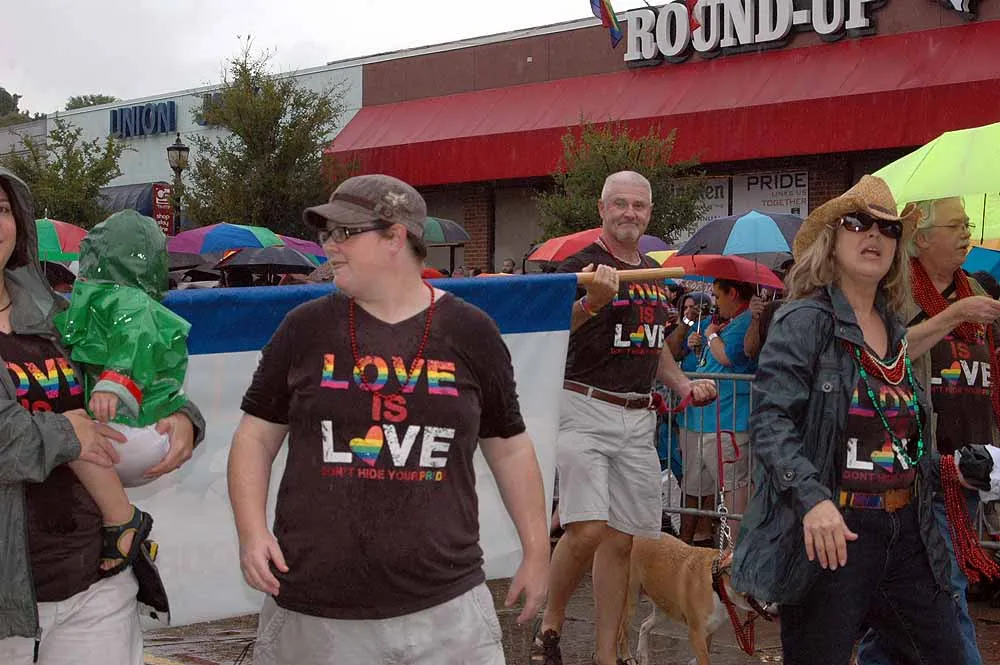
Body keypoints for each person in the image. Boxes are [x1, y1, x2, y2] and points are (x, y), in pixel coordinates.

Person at [228, 174, 548, 665]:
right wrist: (252, 532)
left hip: (446, 615)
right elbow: (255, 436)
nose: (329, 246)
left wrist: (538, 551)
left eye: (345, 233)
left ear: (396, 236)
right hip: (315, 616)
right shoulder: (304, 329)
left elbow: (509, 446)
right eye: (327, 234)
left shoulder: (472, 332)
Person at [731, 176, 967, 664]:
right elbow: (771, 420)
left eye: (888, 228)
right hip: (833, 532)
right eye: (857, 223)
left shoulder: (894, 327)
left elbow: (896, 433)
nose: (874, 235)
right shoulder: (804, 320)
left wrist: (951, 468)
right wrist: (813, 501)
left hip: (908, 530)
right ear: (832, 240)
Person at [0, 169, 205, 665]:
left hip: (95, 586)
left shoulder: (59, 315)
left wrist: (182, 415)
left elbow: (139, 362)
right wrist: (66, 431)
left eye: (1, 209)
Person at [531, 171, 717, 665]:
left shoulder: (653, 275)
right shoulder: (579, 267)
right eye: (620, 204)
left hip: (638, 418)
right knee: (588, 528)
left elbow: (655, 348)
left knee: (621, 540)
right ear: (602, 208)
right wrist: (590, 303)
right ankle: (550, 624)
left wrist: (684, 385)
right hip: (583, 406)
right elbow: (551, 329)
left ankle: (605, 655)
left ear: (649, 213)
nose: (629, 213)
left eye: (638, 205)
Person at [857, 197, 1000, 665]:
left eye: (968, 224)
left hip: (971, 467)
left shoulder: (975, 289)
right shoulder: (895, 295)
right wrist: (954, 316)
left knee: (913, 598)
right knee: (946, 588)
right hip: (919, 466)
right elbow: (886, 356)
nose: (966, 234)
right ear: (920, 239)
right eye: (955, 226)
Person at [54, 210, 192, 572]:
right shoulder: (124, 302)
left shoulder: (126, 304)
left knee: (71, 436)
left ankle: (123, 522)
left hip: (133, 430)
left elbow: (135, 342)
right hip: (140, 433)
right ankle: (125, 531)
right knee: (72, 436)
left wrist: (115, 383)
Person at [674, 278, 756, 544]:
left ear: (733, 294)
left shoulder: (746, 321)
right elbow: (680, 352)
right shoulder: (726, 322)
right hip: (700, 420)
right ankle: (689, 545)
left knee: (733, 492)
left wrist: (710, 335)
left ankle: (734, 554)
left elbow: (729, 357)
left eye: (718, 297)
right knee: (694, 489)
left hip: (728, 420)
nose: (715, 304)